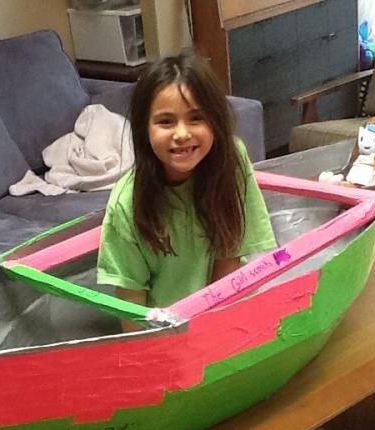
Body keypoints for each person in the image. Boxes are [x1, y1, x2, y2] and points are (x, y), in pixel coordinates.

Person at [96, 49, 277, 331]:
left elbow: (229, 251)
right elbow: (131, 300)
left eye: (196, 118)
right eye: (165, 122)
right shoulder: (126, 203)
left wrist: (214, 326)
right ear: (144, 129)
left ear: (215, 121)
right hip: (163, 332)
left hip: (222, 310)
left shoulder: (232, 160)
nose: (182, 134)